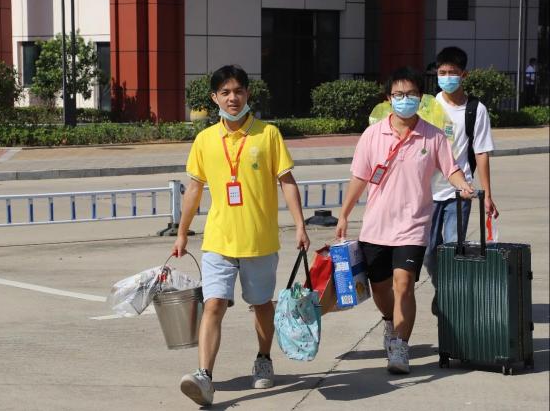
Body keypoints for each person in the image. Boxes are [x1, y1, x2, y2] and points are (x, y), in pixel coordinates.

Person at [172, 65, 310, 406]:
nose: (232, 98)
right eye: (225, 92)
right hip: (218, 239)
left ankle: (263, 357)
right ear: (214, 98)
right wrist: (182, 233)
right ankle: (204, 376)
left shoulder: (268, 134)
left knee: (260, 305)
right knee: (213, 304)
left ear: (248, 94)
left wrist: (300, 225)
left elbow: (287, 182)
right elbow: (194, 188)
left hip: (259, 240)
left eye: (238, 91)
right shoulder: (205, 140)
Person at [335, 66, 474, 375]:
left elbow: (450, 168)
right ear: (388, 98)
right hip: (376, 226)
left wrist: (463, 185)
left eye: (411, 94)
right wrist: (344, 214)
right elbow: (359, 178)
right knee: (380, 287)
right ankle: (389, 321)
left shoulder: (433, 135)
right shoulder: (372, 135)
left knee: (404, 283)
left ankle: (400, 346)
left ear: (420, 97)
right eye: (398, 94)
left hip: (413, 225)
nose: (404, 99)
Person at [424, 46, 498, 315]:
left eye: (452, 72)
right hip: (426, 192)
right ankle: (442, 288)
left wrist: (487, 194)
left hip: (460, 192)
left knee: (453, 249)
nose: (446, 77)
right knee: (429, 252)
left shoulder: (476, 109)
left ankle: (448, 299)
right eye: (442, 72)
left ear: (464, 75)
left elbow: (481, 152)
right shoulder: (427, 106)